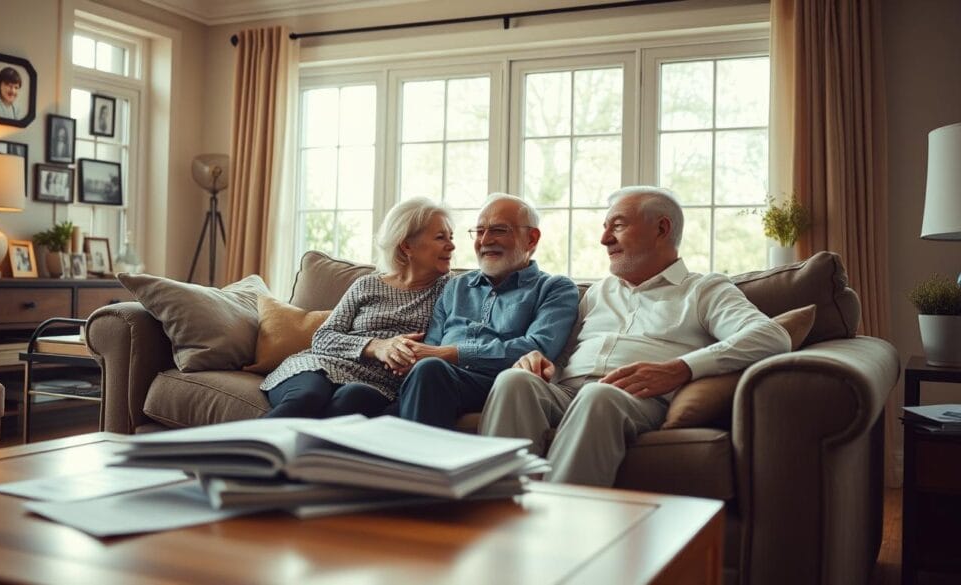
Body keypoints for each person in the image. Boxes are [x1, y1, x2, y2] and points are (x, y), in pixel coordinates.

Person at [479, 186, 792, 486]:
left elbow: (772, 337)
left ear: (661, 229)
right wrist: (539, 362)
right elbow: (561, 358)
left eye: (617, 226)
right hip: (568, 393)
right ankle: (492, 512)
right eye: (605, 228)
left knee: (599, 396)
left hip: (637, 400)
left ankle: (559, 525)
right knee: (514, 380)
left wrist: (680, 368)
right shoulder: (598, 292)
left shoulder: (704, 289)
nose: (604, 239)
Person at [383, 193, 579, 429]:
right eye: (479, 231)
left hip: (502, 383)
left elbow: (537, 347)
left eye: (498, 230)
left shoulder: (555, 288)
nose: (485, 240)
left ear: (531, 238)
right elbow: (431, 346)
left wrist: (450, 354)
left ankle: (413, 463)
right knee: (360, 397)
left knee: (430, 369)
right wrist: (406, 356)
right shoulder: (455, 286)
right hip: (437, 377)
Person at [260, 197, 455, 418]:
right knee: (307, 397)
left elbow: (446, 346)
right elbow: (322, 338)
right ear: (407, 245)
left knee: (354, 398)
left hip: (378, 385)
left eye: (451, 237)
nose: (452, 245)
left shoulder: (450, 291)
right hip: (320, 366)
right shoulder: (367, 284)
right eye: (441, 237)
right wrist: (376, 346)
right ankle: (240, 450)